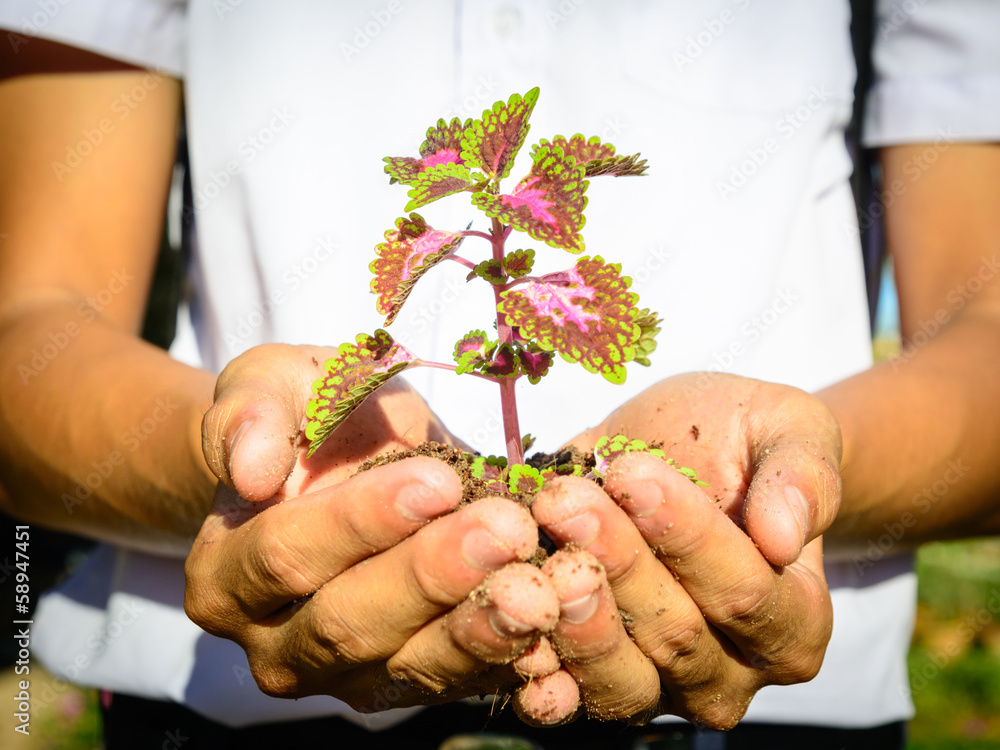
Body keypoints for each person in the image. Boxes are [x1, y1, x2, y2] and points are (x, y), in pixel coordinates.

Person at [0, 1, 998, 748]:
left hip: (764, 715)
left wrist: (789, 482)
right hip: (239, 707)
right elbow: (28, 330)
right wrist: (234, 466)